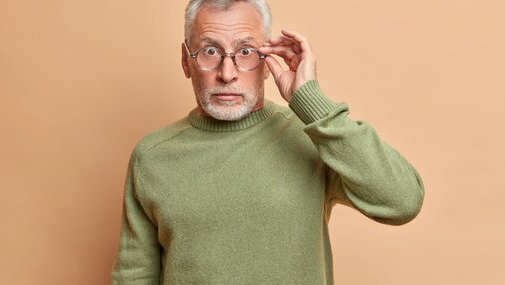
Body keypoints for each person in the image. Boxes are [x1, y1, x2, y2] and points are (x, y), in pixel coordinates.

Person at [111, 0, 425, 284]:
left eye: (246, 51)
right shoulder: (152, 157)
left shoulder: (312, 137)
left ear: (268, 59)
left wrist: (311, 101)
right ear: (185, 60)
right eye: (210, 51)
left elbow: (402, 201)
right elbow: (134, 276)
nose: (228, 73)